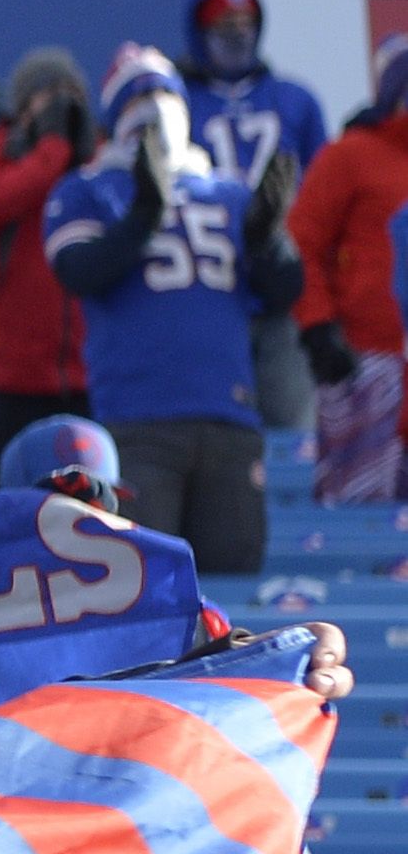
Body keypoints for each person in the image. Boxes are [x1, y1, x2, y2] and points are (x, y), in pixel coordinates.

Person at [43, 47, 297, 578]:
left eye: (163, 91)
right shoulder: (88, 189)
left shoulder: (227, 193)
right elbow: (78, 271)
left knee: (233, 580)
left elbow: (284, 292)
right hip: (139, 419)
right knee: (146, 587)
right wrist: (142, 216)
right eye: (137, 95)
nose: (153, 106)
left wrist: (267, 241)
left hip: (227, 416)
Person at [182, 0, 330, 439]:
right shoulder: (179, 99)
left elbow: (322, 196)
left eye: (245, 21)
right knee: (212, 428)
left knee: (290, 420)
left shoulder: (295, 100)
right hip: (208, 283)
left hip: (280, 282)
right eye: (224, 22)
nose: (237, 32)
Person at [0, 46, 98, 495]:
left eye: (70, 94)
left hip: (80, 383)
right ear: (21, 107)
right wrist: (52, 149)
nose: (61, 105)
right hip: (0, 387)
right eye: (48, 94)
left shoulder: (97, 163)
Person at [291, 35, 408, 504]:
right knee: (360, 513)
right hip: (367, 366)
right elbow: (301, 243)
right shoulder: (349, 156)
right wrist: (319, 327)